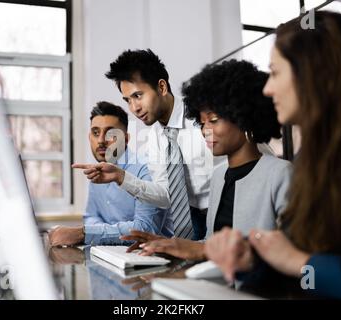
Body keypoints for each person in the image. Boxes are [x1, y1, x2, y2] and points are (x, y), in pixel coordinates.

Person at [205, 11, 341, 299]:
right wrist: (250, 260)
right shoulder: (309, 159)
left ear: (314, 73)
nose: (267, 88)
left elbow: (298, 262)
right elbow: (291, 259)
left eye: (275, 73)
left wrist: (303, 264)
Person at [121, 60, 292, 261]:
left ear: (242, 115)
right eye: (201, 123)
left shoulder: (280, 174)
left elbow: (289, 250)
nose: (204, 131)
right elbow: (212, 243)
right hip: (215, 265)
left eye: (213, 121)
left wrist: (202, 250)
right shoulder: (219, 177)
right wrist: (171, 244)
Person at [73, 49, 223, 240]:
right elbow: (166, 194)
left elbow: (249, 154)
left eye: (138, 96)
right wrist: (121, 177)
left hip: (224, 210)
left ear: (161, 87)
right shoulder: (155, 137)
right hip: (193, 221)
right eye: (128, 100)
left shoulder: (203, 115)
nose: (134, 108)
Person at [48, 102, 172, 246]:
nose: (101, 141)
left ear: (126, 139)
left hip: (157, 259)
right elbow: (91, 216)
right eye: (95, 133)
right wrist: (105, 233)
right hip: (114, 252)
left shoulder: (146, 169)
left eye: (110, 134)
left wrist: (84, 234)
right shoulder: (97, 171)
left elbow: (146, 229)